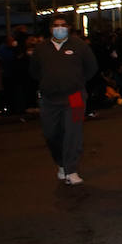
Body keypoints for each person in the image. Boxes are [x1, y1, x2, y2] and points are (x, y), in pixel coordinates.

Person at [29, 14, 99, 185]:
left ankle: (71, 169)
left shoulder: (80, 46)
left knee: (73, 131)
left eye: (63, 25)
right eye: (56, 25)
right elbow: (34, 72)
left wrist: (76, 82)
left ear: (68, 27)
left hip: (74, 97)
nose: (59, 28)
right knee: (51, 133)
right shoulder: (41, 49)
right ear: (50, 28)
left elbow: (91, 68)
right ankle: (61, 163)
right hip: (49, 99)